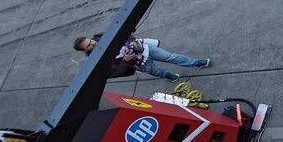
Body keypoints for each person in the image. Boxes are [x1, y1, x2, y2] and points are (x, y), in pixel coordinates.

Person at [74, 35, 210, 82]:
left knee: (170, 57)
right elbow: (115, 73)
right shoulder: (97, 62)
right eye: (90, 45)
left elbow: (125, 32)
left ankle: (195, 63)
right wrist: (125, 61)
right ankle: (169, 76)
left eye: (91, 41)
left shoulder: (103, 36)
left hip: (144, 48)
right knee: (156, 71)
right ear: (85, 50)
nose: (94, 43)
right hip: (139, 63)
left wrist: (132, 41)